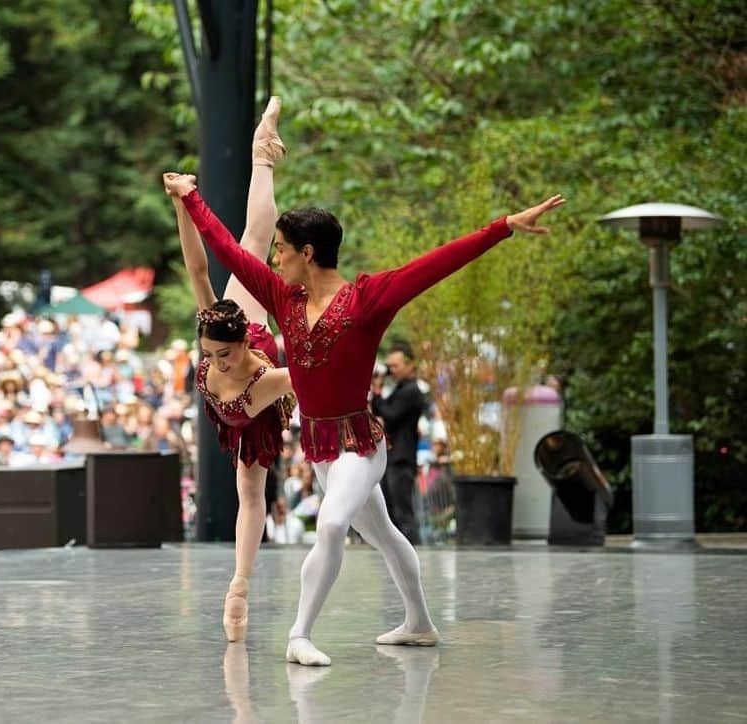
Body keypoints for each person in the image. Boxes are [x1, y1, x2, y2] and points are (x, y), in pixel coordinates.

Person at [167, 124, 565, 665]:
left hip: (359, 444)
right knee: (384, 533)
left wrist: (503, 228)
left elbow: (436, 264)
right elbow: (226, 250)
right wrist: (189, 198)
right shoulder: (283, 298)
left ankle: (299, 635)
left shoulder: (368, 298)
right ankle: (420, 623)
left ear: (308, 252)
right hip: (322, 449)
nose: (275, 257)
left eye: (282, 250)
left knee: (331, 523)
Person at [161, 96, 293, 643]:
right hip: (231, 398)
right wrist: (180, 202)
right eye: (208, 354)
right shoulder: (218, 327)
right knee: (252, 243)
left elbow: (317, 376)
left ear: (243, 341)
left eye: (223, 354)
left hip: (257, 404)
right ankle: (263, 154)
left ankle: (239, 585)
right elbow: (196, 265)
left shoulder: (262, 373)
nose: (214, 362)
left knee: (250, 487)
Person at [371, 342, 426, 544]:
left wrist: (377, 392)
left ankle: (413, 553)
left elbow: (389, 413)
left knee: (403, 513)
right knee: (393, 512)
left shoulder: (412, 391)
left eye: (396, 366)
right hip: (395, 457)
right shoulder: (401, 389)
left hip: (402, 459)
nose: (391, 371)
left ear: (410, 365)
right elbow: (381, 410)